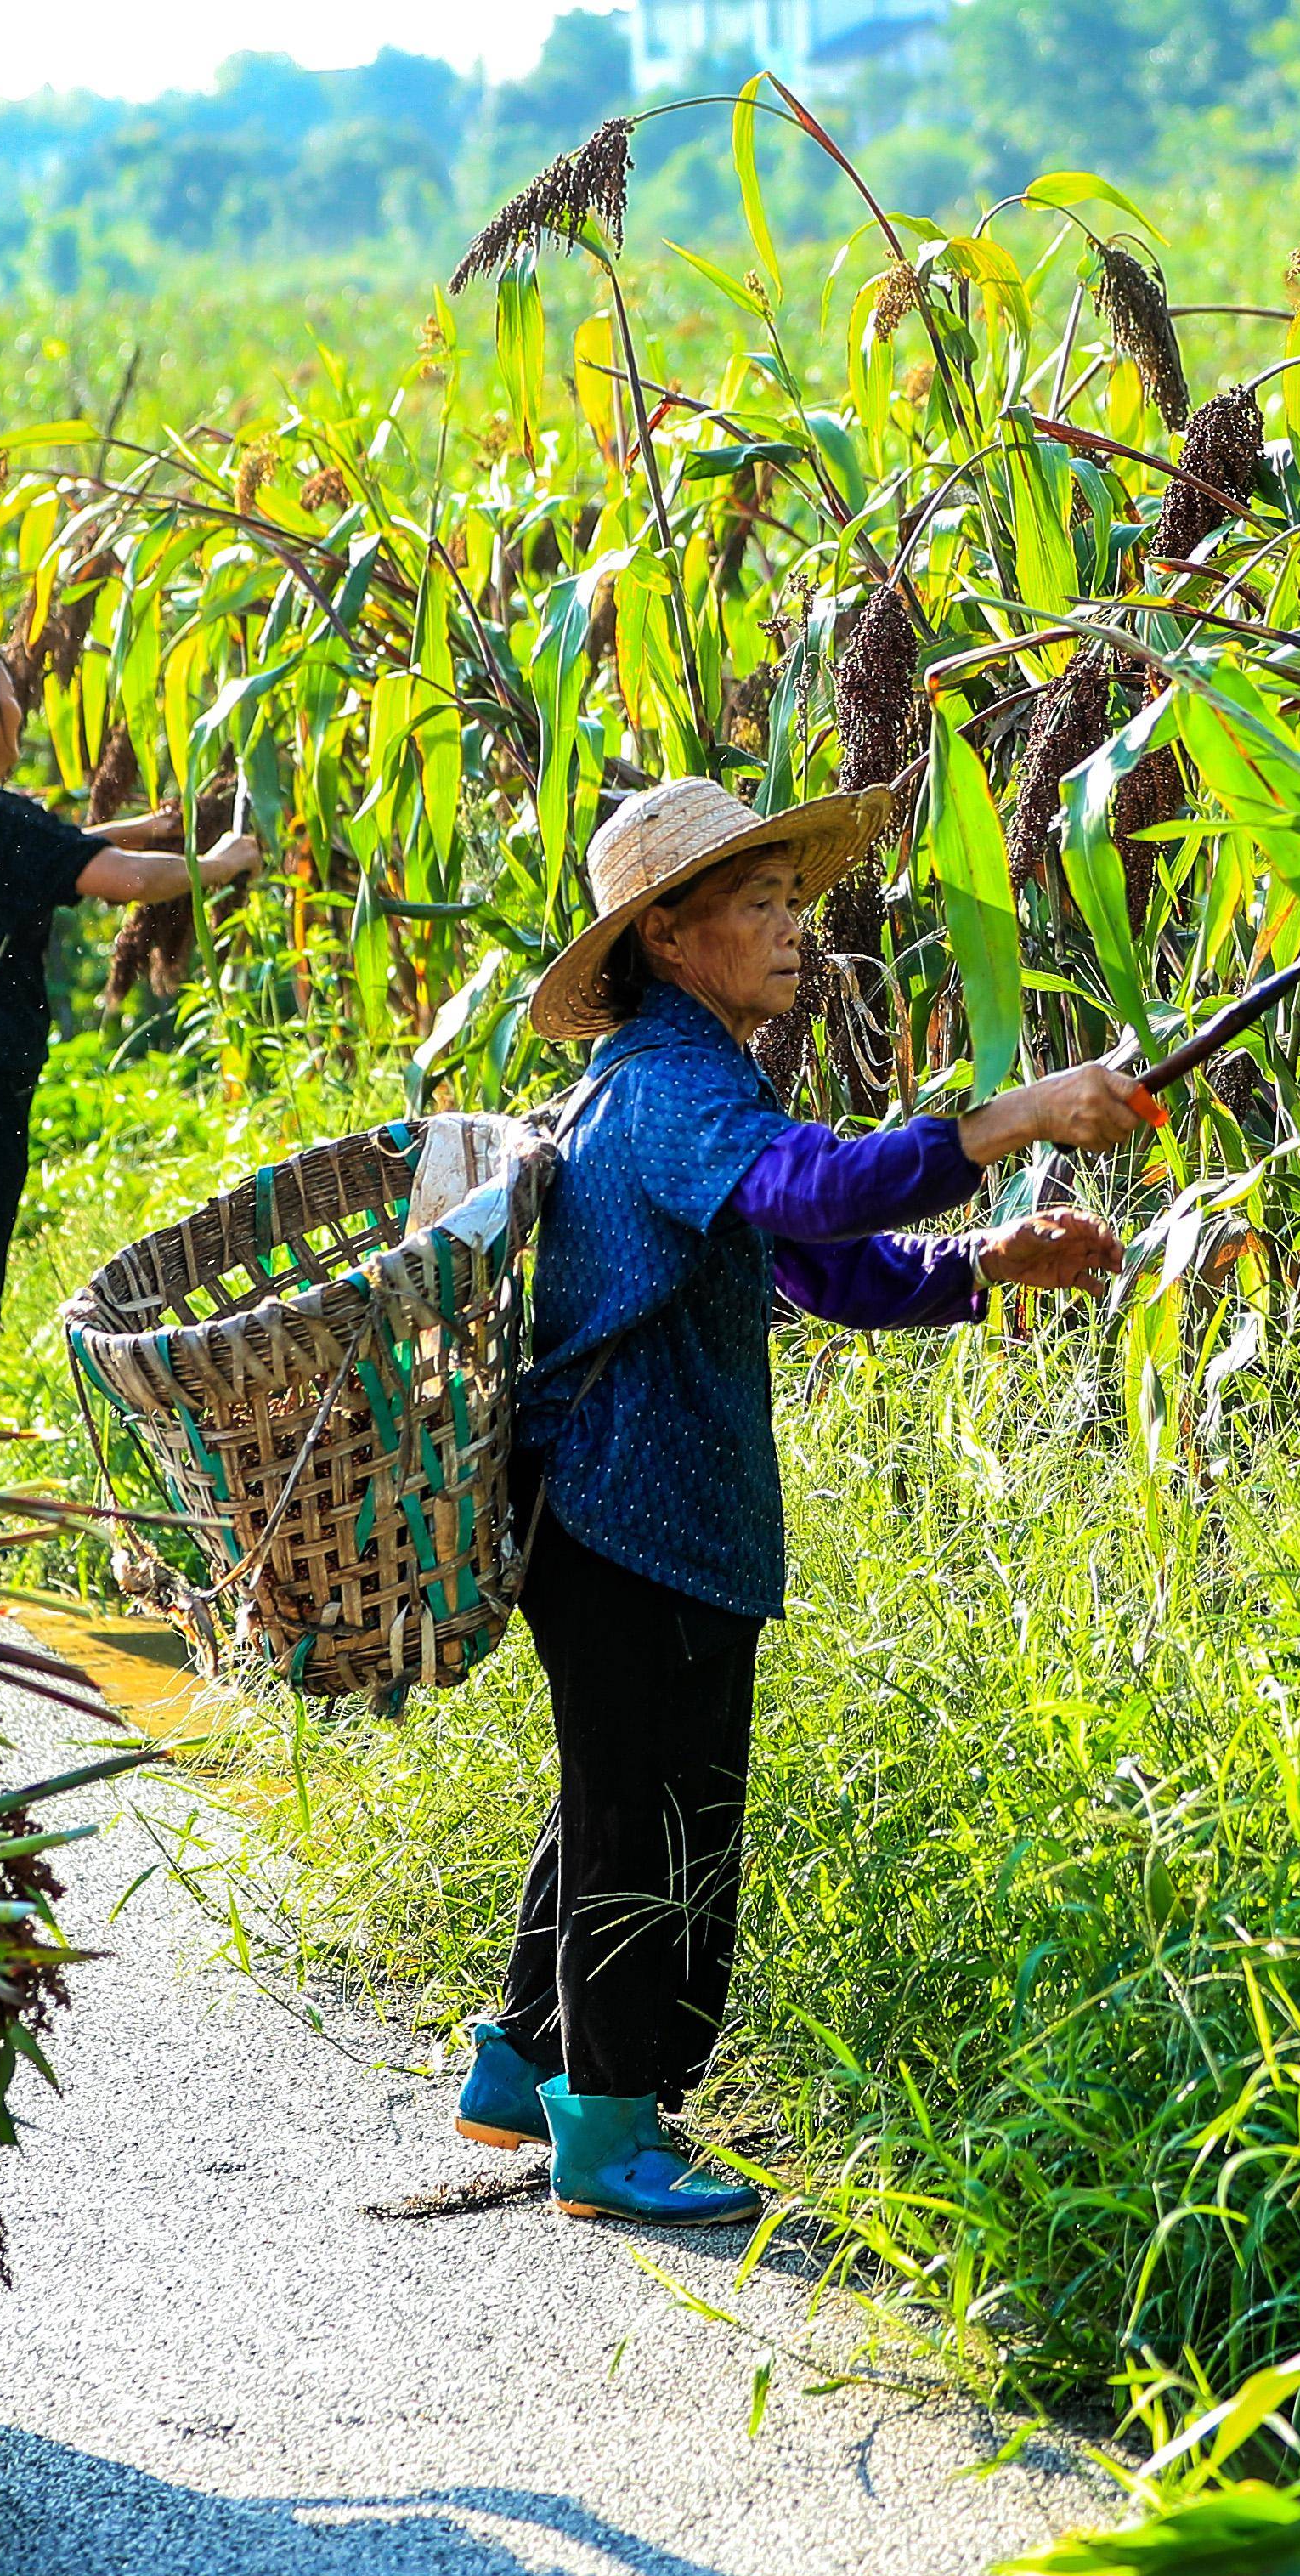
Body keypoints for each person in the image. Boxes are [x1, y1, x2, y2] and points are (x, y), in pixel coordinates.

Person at [453, 776, 1156, 2227]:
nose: (794, 930)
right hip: (623, 1511)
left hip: (643, 1514)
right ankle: (608, 2137)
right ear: (663, 936)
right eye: (757, 905)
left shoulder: (679, 1080)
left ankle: (526, 2065)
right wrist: (1008, 1117)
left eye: (793, 899)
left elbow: (805, 1258)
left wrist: (984, 1268)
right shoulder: (666, 1087)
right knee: (650, 1828)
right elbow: (817, 1192)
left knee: (625, 1798)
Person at [0, 634, 263, 1479]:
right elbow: (127, 882)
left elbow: (29, 850)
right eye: (7, 691)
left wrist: (134, 827)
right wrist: (215, 863)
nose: (19, 707)